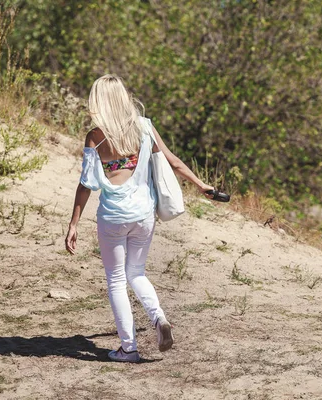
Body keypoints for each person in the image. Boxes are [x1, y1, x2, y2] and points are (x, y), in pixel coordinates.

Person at [65, 74, 214, 362]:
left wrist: (73, 224)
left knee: (117, 279)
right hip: (144, 216)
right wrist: (201, 185)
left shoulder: (95, 136)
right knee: (137, 273)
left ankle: (128, 348)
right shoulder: (144, 128)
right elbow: (173, 161)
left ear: (100, 102)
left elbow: (85, 184)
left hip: (113, 217)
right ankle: (159, 319)